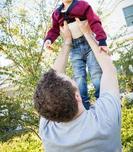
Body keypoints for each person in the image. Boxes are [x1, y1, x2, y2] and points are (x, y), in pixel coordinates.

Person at [34, 19, 121, 152]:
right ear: (77, 96)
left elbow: (53, 75)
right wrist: (88, 34)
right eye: (69, 77)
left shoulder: (48, 133)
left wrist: (67, 42)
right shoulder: (105, 119)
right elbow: (109, 69)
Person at [44, 0, 109, 109]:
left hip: (88, 43)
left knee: (96, 73)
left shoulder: (83, 6)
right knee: (79, 77)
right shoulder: (56, 14)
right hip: (74, 48)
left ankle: (101, 100)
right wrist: (49, 39)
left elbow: (95, 22)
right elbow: (55, 29)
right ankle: (84, 105)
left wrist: (102, 41)